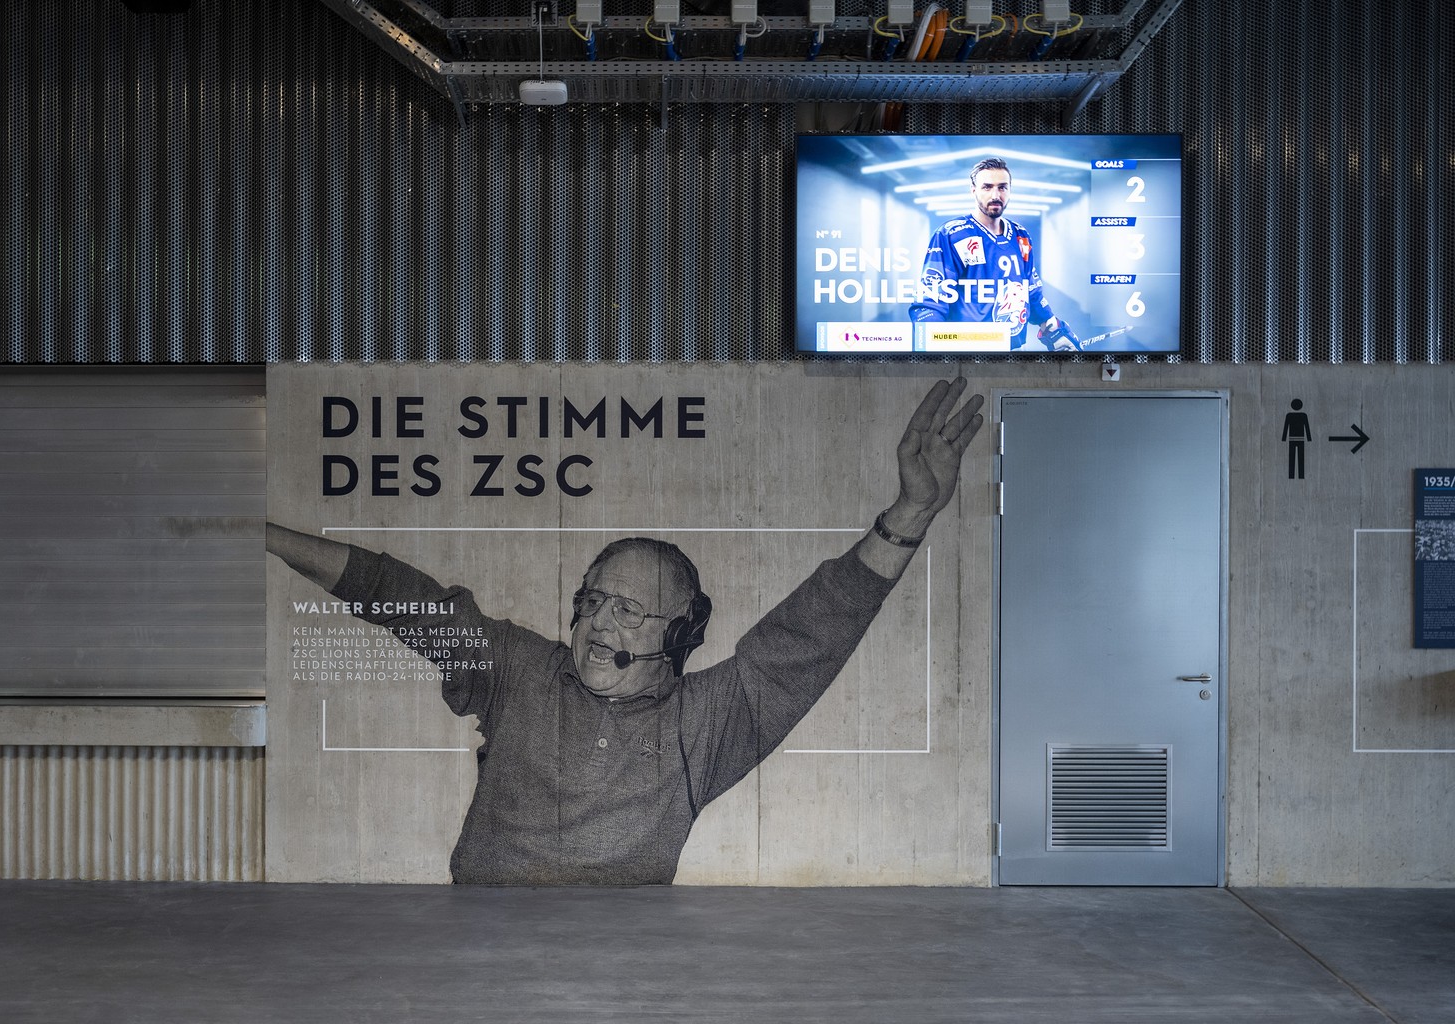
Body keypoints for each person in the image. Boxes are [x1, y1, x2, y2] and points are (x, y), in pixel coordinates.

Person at [268, 378, 985, 885]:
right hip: (481, 946)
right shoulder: (519, 670)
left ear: (677, 637)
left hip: (630, 963)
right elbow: (405, 599)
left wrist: (910, 514)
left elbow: (811, 633)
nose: (597, 622)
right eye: (591, 600)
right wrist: (265, 536)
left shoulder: (707, 721)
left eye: (628, 609)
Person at [909, 157, 1080, 352]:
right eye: (987, 187)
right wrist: (932, 349)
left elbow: (1030, 290)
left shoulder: (1020, 236)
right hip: (966, 353)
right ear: (973, 190)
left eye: (1002, 187)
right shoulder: (951, 235)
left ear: (1009, 190)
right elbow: (931, 299)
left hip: (1013, 349)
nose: (995, 194)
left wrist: (1052, 327)